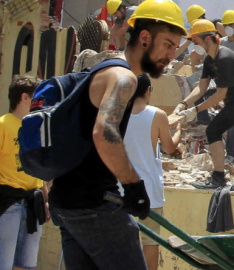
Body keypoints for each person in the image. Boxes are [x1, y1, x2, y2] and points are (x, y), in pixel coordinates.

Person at [47, 1, 187, 269]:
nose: (172, 54)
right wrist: (134, 185)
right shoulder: (124, 78)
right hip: (95, 206)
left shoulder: (104, 69)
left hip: (67, 205)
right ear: (145, 38)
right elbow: (104, 132)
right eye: (168, 44)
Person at [172, 19, 234, 197]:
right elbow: (201, 87)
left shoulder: (224, 58)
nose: (195, 46)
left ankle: (218, 177)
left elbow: (220, 95)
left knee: (213, 131)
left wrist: (195, 110)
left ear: (208, 39)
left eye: (196, 41)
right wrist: (183, 104)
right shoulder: (210, 59)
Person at [124, 74, 182, 270]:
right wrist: (179, 131)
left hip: (122, 189)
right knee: (150, 242)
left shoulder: (118, 114)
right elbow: (169, 147)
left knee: (123, 242)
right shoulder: (157, 115)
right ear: (148, 90)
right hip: (148, 190)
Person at [0, 75, 49, 270]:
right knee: (4, 261)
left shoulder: (37, 127)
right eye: (37, 96)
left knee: (27, 264)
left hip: (33, 203)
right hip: (8, 203)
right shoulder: (3, 124)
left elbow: (40, 170)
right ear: (24, 98)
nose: (41, 102)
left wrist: (46, 200)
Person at [220, 9, 234, 164]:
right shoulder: (221, 42)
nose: (227, 27)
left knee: (233, 122)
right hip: (221, 85)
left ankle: (231, 153)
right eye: (225, 24)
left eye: (230, 24)